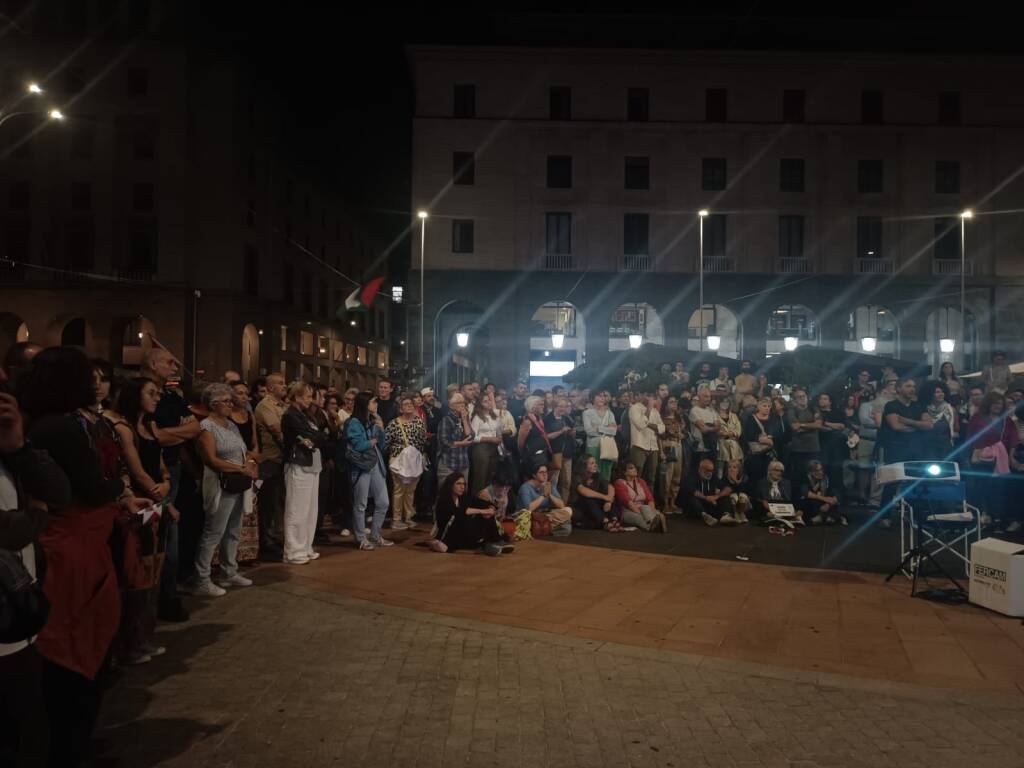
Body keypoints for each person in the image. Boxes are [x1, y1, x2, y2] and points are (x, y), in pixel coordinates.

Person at [19, 347, 150, 767]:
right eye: (86, 376)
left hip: (87, 538)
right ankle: (69, 744)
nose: (96, 383)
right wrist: (117, 492)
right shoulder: (57, 427)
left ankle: (76, 736)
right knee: (75, 643)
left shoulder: (66, 423)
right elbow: (91, 485)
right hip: (74, 546)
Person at [0, 363, 71, 768]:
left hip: (17, 617)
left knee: (27, 733)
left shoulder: (11, 448)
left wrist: (18, 447)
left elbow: (58, 491)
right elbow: (14, 529)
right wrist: (34, 518)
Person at [107, 377, 171, 664]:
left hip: (157, 501)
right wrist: (156, 492)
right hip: (141, 504)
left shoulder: (150, 426)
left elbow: (159, 464)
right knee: (137, 573)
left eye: (158, 393)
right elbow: (137, 468)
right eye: (151, 393)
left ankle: (143, 635)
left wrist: (166, 485)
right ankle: (130, 641)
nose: (157, 398)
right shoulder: (123, 427)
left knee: (153, 570)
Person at [140, 347, 201, 623]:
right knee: (159, 536)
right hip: (152, 473)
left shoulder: (170, 396)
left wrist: (166, 434)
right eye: (169, 361)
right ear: (152, 364)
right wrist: (170, 435)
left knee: (171, 532)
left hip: (171, 470)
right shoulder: (139, 393)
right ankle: (158, 598)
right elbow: (150, 438)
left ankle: (167, 594)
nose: (175, 366)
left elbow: (194, 428)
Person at [189, 383, 258, 592]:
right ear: (214, 404)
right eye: (227, 401)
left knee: (234, 530)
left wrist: (249, 464)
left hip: (238, 482)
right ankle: (201, 579)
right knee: (214, 532)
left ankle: (229, 571)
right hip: (220, 483)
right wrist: (241, 468)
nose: (231, 404)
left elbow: (243, 450)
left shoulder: (231, 425)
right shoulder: (207, 427)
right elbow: (211, 460)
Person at [281, 382, 327, 564]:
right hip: (298, 463)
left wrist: (318, 436)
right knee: (296, 509)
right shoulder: (290, 415)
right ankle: (292, 551)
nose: (310, 400)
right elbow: (312, 435)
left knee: (310, 510)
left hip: (311, 464)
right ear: (298, 397)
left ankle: (306, 546)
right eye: (307, 396)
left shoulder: (304, 415)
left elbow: (318, 435)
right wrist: (318, 436)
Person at [878, 378, 934, 527]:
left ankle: (913, 517)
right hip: (895, 448)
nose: (912, 389)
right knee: (891, 483)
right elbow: (896, 426)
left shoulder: (919, 406)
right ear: (899, 388)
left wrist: (907, 421)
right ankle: (885, 517)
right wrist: (917, 426)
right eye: (908, 386)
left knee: (916, 483)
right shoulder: (891, 405)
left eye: (913, 386)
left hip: (916, 449)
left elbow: (929, 425)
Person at [346, 392, 393, 550]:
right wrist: (371, 441)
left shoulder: (373, 420)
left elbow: (381, 445)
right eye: (373, 402)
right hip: (361, 467)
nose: (376, 404)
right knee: (361, 504)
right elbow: (357, 445)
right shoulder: (354, 422)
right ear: (365, 404)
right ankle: (360, 538)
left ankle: (375, 534)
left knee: (383, 502)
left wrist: (381, 430)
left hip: (375, 464)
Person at [430, 473, 512, 555]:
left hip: (461, 532)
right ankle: (488, 544)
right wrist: (482, 511)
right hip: (448, 535)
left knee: (486, 515)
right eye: (458, 484)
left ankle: (493, 542)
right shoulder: (443, 499)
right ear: (450, 485)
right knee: (467, 517)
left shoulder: (462, 497)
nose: (462, 487)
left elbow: (479, 502)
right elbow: (458, 512)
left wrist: (490, 508)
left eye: (464, 484)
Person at [254, 372, 288, 561]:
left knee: (279, 502)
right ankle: (266, 542)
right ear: (270, 387)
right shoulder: (265, 405)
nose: (284, 386)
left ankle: (276, 538)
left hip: (282, 460)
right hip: (270, 460)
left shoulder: (283, 405)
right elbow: (278, 431)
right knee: (269, 503)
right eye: (280, 383)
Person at [384, 395, 428, 530]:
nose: (410, 406)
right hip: (398, 459)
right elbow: (386, 442)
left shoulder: (418, 422)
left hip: (414, 459)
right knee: (398, 489)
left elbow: (423, 440)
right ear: (400, 409)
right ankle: (396, 519)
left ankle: (408, 517)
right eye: (406, 404)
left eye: (411, 404)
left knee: (410, 490)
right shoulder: (394, 423)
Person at [229, 380, 260, 562]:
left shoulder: (250, 415)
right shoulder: (227, 418)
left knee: (248, 511)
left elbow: (254, 441)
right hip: (234, 464)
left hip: (249, 462)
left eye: (245, 393)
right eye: (239, 392)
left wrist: (253, 459)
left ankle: (246, 554)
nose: (243, 396)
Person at [613, 461, 667, 532]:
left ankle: (654, 523)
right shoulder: (619, 483)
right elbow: (628, 503)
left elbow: (650, 499)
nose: (635, 469)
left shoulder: (641, 481)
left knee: (646, 508)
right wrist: (643, 515)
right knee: (639, 517)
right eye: (631, 468)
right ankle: (652, 525)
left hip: (643, 508)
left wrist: (652, 511)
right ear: (624, 472)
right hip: (627, 510)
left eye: (635, 467)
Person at [517, 464, 573, 533]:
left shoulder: (549, 485)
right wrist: (544, 495)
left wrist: (549, 495)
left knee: (568, 510)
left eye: (546, 472)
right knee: (566, 526)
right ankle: (547, 527)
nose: (544, 474)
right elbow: (528, 509)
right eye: (541, 472)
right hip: (529, 517)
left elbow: (561, 505)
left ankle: (544, 527)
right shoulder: (525, 487)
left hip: (546, 515)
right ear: (534, 475)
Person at [570, 454, 620, 530]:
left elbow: (610, 486)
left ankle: (614, 520)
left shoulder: (597, 476)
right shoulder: (576, 477)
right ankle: (604, 521)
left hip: (594, 508)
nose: (595, 465)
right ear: (584, 466)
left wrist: (609, 500)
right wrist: (605, 497)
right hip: (580, 507)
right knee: (588, 498)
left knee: (612, 496)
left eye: (595, 463)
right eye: (592, 463)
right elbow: (584, 492)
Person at [469, 392, 504, 496]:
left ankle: (488, 503)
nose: (489, 402)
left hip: (494, 448)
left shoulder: (494, 416)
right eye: (485, 401)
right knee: (481, 478)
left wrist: (498, 437)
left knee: (491, 477)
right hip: (481, 449)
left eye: (489, 400)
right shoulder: (477, 417)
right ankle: (477, 503)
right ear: (479, 404)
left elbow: (498, 432)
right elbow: (473, 437)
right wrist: (490, 439)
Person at [628, 391, 665, 487]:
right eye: (648, 395)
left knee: (651, 478)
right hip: (639, 446)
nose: (650, 399)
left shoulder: (655, 411)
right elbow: (640, 424)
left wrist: (648, 424)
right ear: (640, 395)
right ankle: (636, 500)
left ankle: (650, 501)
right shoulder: (634, 408)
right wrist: (648, 409)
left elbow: (662, 429)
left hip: (653, 447)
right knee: (636, 476)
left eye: (652, 396)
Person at [815, 393, 848, 498]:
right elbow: (817, 426)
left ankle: (837, 496)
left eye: (825, 399)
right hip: (820, 444)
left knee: (836, 470)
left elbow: (841, 426)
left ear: (830, 401)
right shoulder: (815, 412)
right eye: (820, 398)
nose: (822, 401)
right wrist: (829, 426)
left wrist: (826, 423)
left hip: (836, 446)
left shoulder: (837, 412)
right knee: (822, 468)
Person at [785, 388, 821, 483]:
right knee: (799, 475)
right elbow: (795, 427)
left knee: (815, 473)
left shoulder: (814, 409)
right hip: (798, 449)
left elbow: (818, 425)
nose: (802, 398)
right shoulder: (791, 411)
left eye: (803, 396)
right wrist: (811, 425)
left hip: (813, 447)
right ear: (795, 400)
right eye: (799, 397)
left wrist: (802, 424)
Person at [437, 392, 473, 486]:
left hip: (463, 462)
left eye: (463, 402)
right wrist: (461, 443)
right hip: (449, 463)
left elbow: (470, 436)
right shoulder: (446, 419)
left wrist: (465, 420)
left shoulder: (464, 418)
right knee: (446, 493)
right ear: (451, 405)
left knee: (462, 494)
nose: (462, 405)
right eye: (459, 402)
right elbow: (444, 442)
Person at [742, 397, 780, 485]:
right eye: (764, 406)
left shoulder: (773, 418)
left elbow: (778, 433)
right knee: (756, 476)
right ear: (758, 407)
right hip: (756, 454)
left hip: (770, 453)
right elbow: (748, 434)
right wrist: (762, 439)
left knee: (769, 475)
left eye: (768, 406)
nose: (767, 408)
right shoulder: (751, 419)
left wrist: (771, 437)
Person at [582, 390, 618, 482]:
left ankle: (605, 494)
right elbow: (589, 431)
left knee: (606, 474)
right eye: (599, 396)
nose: (602, 398)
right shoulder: (587, 413)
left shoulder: (610, 414)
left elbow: (613, 431)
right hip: (593, 447)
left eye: (604, 396)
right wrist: (607, 428)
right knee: (593, 474)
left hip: (608, 447)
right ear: (592, 398)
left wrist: (598, 428)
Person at [686, 458, 733, 526]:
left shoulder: (713, 476)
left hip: (711, 503)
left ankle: (726, 515)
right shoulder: (692, 476)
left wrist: (716, 496)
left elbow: (728, 488)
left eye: (712, 471)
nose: (710, 473)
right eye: (707, 470)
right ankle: (705, 516)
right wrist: (706, 498)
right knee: (692, 499)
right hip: (698, 506)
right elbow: (692, 491)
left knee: (725, 496)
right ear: (700, 469)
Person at [660, 395, 685, 513]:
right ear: (666, 405)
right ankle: (665, 503)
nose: (674, 404)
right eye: (671, 402)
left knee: (677, 475)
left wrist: (682, 435)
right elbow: (659, 436)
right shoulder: (662, 418)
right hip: (668, 447)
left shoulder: (679, 418)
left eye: (675, 402)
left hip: (679, 446)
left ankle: (673, 502)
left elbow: (685, 432)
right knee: (667, 476)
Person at [798, 460, 844, 526]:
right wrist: (825, 499)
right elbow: (806, 493)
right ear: (810, 472)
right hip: (813, 504)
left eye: (821, 470)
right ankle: (824, 517)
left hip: (825, 505)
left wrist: (828, 504)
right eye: (816, 470)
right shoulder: (805, 478)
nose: (820, 472)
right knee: (807, 501)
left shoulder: (826, 479)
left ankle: (825, 517)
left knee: (836, 501)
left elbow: (836, 495)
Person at [518, 395, 554, 476]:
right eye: (540, 405)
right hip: (533, 456)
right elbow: (520, 443)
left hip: (542, 454)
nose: (543, 406)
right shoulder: (527, 421)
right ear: (533, 407)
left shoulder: (539, 419)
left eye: (543, 404)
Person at [688, 387, 720, 474]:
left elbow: (718, 427)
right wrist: (713, 427)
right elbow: (703, 429)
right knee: (700, 473)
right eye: (706, 396)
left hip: (713, 447)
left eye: (709, 397)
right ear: (699, 397)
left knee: (713, 473)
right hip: (701, 449)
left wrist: (709, 427)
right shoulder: (694, 411)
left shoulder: (712, 411)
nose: (708, 399)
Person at [924, 381, 958, 460]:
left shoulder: (951, 409)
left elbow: (956, 428)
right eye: (937, 392)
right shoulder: (925, 409)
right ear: (930, 394)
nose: (941, 394)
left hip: (945, 446)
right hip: (929, 446)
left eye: (942, 392)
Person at [715, 396, 743, 478]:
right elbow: (717, 432)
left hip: (734, 446)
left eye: (727, 402)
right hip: (721, 446)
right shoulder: (715, 415)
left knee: (735, 469)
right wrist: (730, 433)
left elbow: (738, 430)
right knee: (720, 469)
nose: (725, 404)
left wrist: (727, 434)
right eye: (723, 402)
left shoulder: (734, 415)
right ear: (719, 403)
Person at [722, 458, 752, 524]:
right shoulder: (725, 478)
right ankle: (736, 514)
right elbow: (728, 491)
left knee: (742, 495)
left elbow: (745, 490)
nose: (731, 469)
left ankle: (742, 514)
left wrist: (736, 481)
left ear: (739, 469)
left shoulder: (745, 477)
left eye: (734, 467)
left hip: (744, 501)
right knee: (733, 496)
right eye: (729, 467)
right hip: (732, 501)